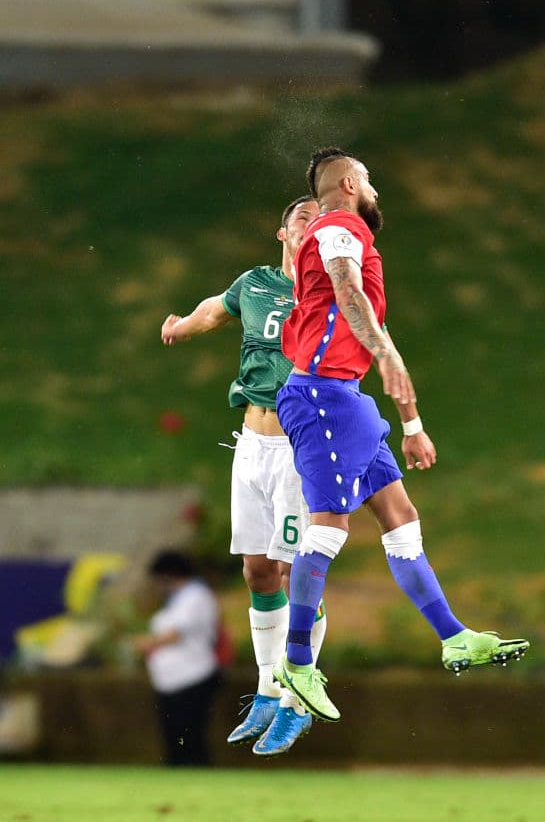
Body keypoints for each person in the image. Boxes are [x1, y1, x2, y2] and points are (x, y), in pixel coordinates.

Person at [273, 147, 530, 722]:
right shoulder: (340, 226)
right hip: (320, 394)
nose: (376, 191)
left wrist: (412, 423)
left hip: (347, 396)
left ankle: (454, 636)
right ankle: (296, 661)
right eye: (369, 180)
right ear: (346, 184)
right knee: (330, 529)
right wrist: (384, 355)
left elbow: (372, 323)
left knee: (401, 518)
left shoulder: (360, 245)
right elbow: (347, 292)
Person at [160, 195, 326, 757]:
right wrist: (181, 327)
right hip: (250, 444)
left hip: (301, 448)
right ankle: (265, 690)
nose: (311, 220)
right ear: (281, 232)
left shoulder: (332, 289)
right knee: (257, 571)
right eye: (302, 215)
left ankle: (297, 701)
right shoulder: (254, 283)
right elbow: (216, 309)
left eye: (321, 218)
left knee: (293, 569)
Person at [134, 549, 223, 766]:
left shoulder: (195, 596)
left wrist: (146, 643)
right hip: (172, 680)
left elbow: (175, 633)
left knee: (189, 734)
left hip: (193, 676)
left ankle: (196, 774)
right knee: (174, 735)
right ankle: (179, 774)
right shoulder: (176, 600)